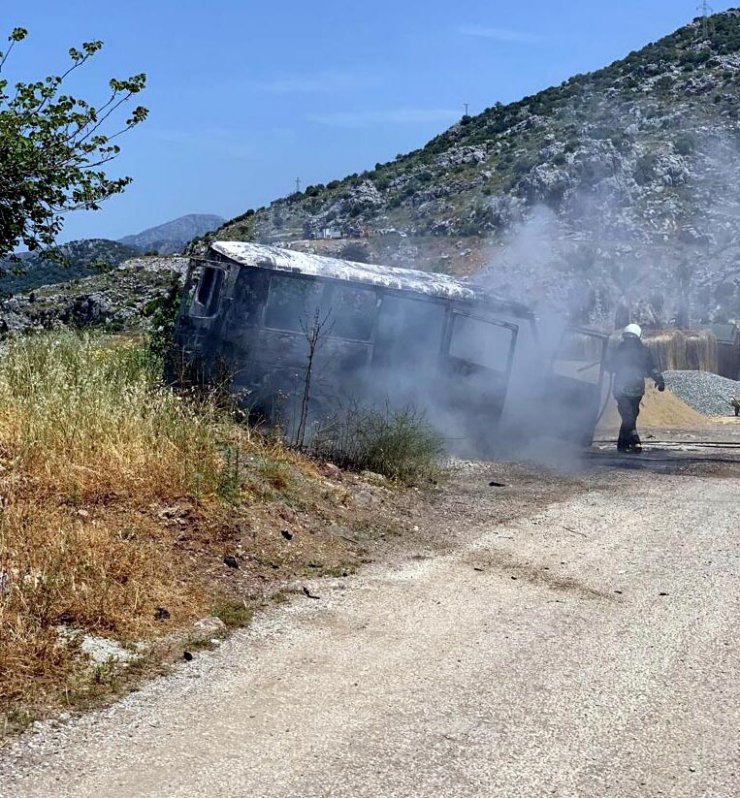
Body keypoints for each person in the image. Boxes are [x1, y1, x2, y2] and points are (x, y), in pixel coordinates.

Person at [606, 324, 665, 453]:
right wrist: (659, 380)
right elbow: (652, 368)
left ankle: (623, 445)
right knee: (629, 416)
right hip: (635, 389)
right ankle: (634, 440)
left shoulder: (618, 350)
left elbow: (610, 367)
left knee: (629, 416)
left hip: (622, 389)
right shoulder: (643, 351)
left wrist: (659, 380)